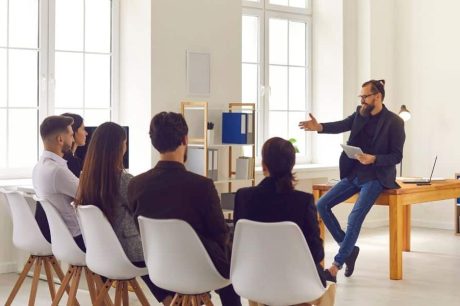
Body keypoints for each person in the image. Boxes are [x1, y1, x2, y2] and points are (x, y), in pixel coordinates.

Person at [128, 112, 241, 306]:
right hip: (201, 269)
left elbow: (141, 231)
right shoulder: (202, 186)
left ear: (153, 141)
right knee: (230, 259)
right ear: (185, 139)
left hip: (161, 268)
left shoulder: (136, 184)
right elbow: (219, 233)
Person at [298, 79, 405, 282]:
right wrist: (319, 127)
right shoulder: (360, 114)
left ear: (377, 97)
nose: (362, 100)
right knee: (322, 204)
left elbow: (396, 156)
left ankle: (335, 266)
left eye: (365, 96)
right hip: (354, 174)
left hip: (376, 177)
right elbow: (341, 125)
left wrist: (374, 158)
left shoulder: (394, 122)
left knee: (354, 218)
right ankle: (350, 251)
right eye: (361, 97)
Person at [74, 122, 174, 305]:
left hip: (100, 255)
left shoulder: (85, 180)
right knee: (166, 256)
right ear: (120, 147)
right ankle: (179, 300)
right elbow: (147, 214)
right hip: (129, 254)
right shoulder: (125, 181)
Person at [234, 137, 335, 306]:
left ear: (264, 165)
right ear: (292, 165)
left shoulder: (243, 197)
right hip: (296, 284)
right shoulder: (303, 202)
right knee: (328, 283)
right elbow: (317, 253)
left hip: (253, 280)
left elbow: (238, 244)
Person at [32, 115, 84, 251]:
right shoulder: (57, 171)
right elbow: (86, 193)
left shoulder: (39, 167)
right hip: (76, 239)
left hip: (60, 237)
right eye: (71, 135)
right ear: (60, 139)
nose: (73, 139)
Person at [61, 113, 88, 178]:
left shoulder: (69, 159)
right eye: (83, 129)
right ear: (72, 131)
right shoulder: (71, 163)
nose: (86, 133)